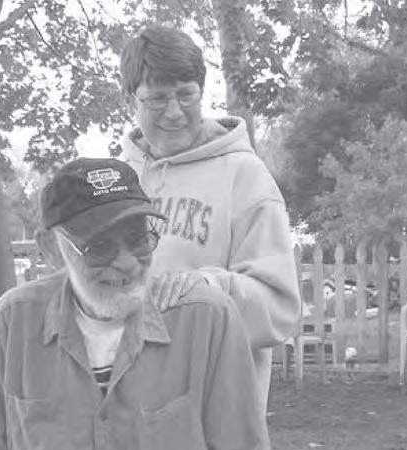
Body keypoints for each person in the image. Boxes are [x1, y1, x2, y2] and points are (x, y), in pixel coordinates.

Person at [0, 158, 271, 450]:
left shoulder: (207, 320)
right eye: (100, 247)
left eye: (139, 239)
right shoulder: (12, 324)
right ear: (51, 248)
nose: (127, 262)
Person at [119, 24, 301, 411]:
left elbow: (280, 309)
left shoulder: (244, 176)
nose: (174, 112)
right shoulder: (119, 179)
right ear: (130, 99)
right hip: (129, 413)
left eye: (186, 95)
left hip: (215, 421)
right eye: (157, 99)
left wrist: (208, 287)